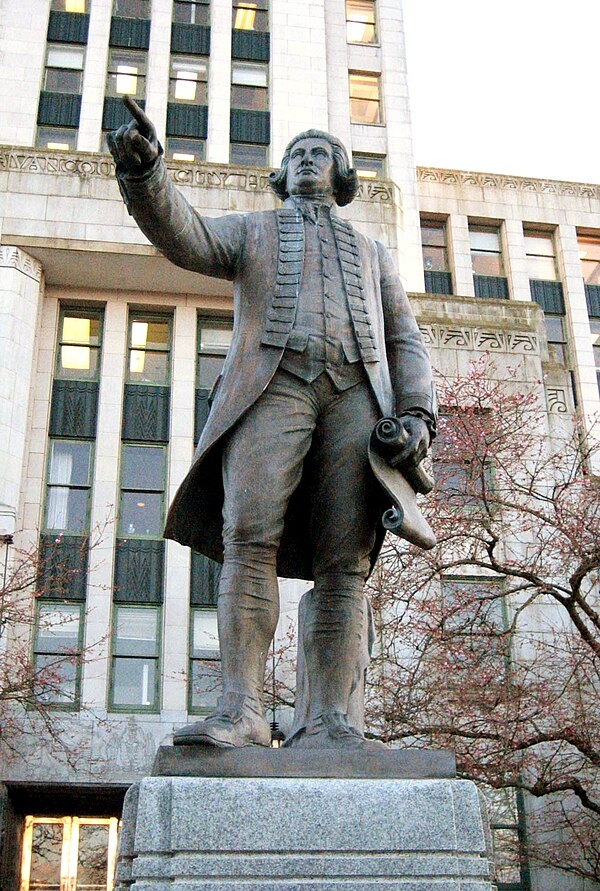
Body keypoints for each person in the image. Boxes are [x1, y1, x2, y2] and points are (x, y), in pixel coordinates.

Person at [109, 97, 436, 750]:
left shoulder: (372, 252)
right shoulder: (253, 231)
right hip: (272, 390)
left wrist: (419, 413)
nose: (310, 160)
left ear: (343, 178)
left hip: (356, 401)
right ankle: (243, 709)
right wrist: (146, 174)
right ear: (281, 175)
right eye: (298, 154)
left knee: (345, 563)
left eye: (324, 153)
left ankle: (331, 721)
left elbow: (406, 337)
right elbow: (187, 235)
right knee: (248, 534)